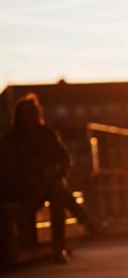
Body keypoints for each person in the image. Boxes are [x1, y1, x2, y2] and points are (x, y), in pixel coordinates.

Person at [0, 93, 97, 264]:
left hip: (47, 186)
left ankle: (61, 247)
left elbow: (65, 160)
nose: (30, 116)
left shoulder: (47, 134)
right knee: (55, 191)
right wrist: (34, 174)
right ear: (19, 116)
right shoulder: (12, 139)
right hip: (24, 190)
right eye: (26, 113)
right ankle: (81, 225)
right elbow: (10, 169)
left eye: (33, 112)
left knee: (55, 194)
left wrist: (54, 170)